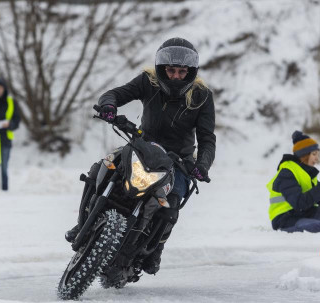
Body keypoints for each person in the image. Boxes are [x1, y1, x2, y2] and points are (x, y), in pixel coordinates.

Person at [66, 37, 216, 275]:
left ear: (190, 72)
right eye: (171, 70)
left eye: (182, 71)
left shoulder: (202, 96)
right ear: (161, 69)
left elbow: (207, 139)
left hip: (179, 162)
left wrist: (202, 165)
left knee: (171, 207)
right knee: (101, 169)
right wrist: (108, 106)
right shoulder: (149, 81)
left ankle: (154, 253)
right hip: (142, 146)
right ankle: (82, 224)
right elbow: (116, 93)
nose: (176, 76)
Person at [267, 130, 320, 233]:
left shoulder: (306, 172)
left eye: (317, 155)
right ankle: (317, 227)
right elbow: (300, 203)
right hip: (286, 218)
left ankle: (318, 226)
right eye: (314, 154)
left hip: (304, 213)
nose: (317, 159)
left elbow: (317, 198)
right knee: (317, 226)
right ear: (304, 155)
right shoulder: (287, 173)